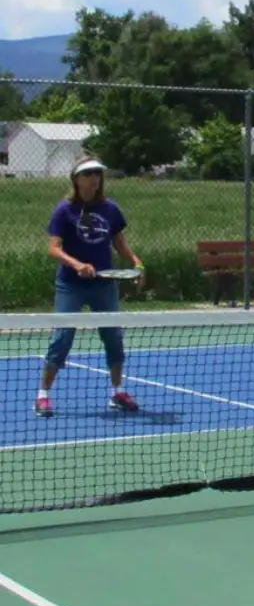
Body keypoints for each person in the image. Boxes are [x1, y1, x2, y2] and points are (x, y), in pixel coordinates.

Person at [35, 155, 144, 418]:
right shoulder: (64, 210)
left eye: (97, 173)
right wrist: (76, 264)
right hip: (71, 285)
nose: (94, 178)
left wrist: (136, 262)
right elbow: (53, 248)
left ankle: (117, 392)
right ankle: (42, 396)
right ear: (77, 179)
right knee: (62, 339)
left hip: (103, 284)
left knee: (114, 339)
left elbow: (118, 241)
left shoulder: (110, 209)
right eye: (88, 174)